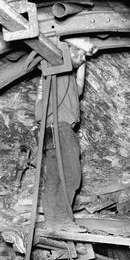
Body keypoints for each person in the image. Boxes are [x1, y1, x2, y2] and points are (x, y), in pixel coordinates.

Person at [36, 44, 89, 225]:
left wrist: (82, 62)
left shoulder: (58, 78)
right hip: (62, 129)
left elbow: (79, 88)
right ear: (70, 52)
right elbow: (63, 50)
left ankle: (51, 220)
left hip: (47, 129)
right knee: (72, 175)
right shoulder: (60, 70)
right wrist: (76, 49)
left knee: (54, 177)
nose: (83, 59)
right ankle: (62, 220)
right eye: (81, 55)